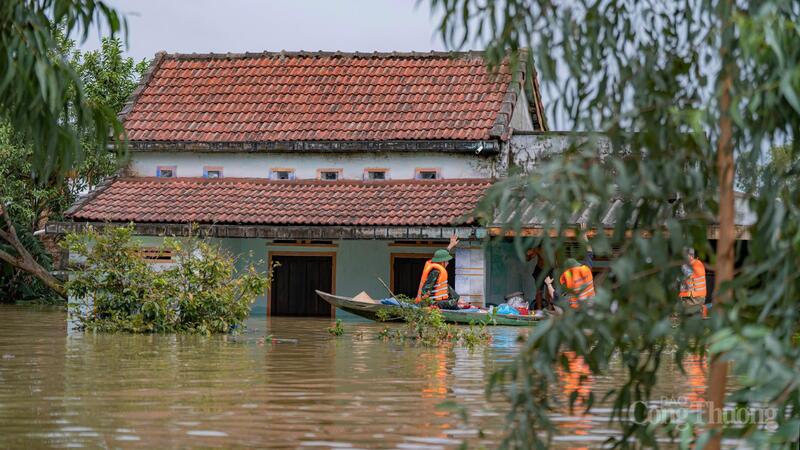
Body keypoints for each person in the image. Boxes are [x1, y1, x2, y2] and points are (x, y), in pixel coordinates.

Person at [416, 233, 467, 310]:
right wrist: (427, 303)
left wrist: (450, 245)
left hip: (439, 301)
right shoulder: (435, 272)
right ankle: (459, 303)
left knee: (455, 298)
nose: (448, 263)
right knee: (454, 304)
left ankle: (459, 300)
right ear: (441, 262)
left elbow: (446, 286)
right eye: (446, 261)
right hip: (432, 302)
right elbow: (425, 290)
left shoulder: (437, 267)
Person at [679, 248, 707, 315]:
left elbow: (681, 280)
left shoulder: (687, 266)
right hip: (701, 298)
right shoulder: (698, 263)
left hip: (695, 299)